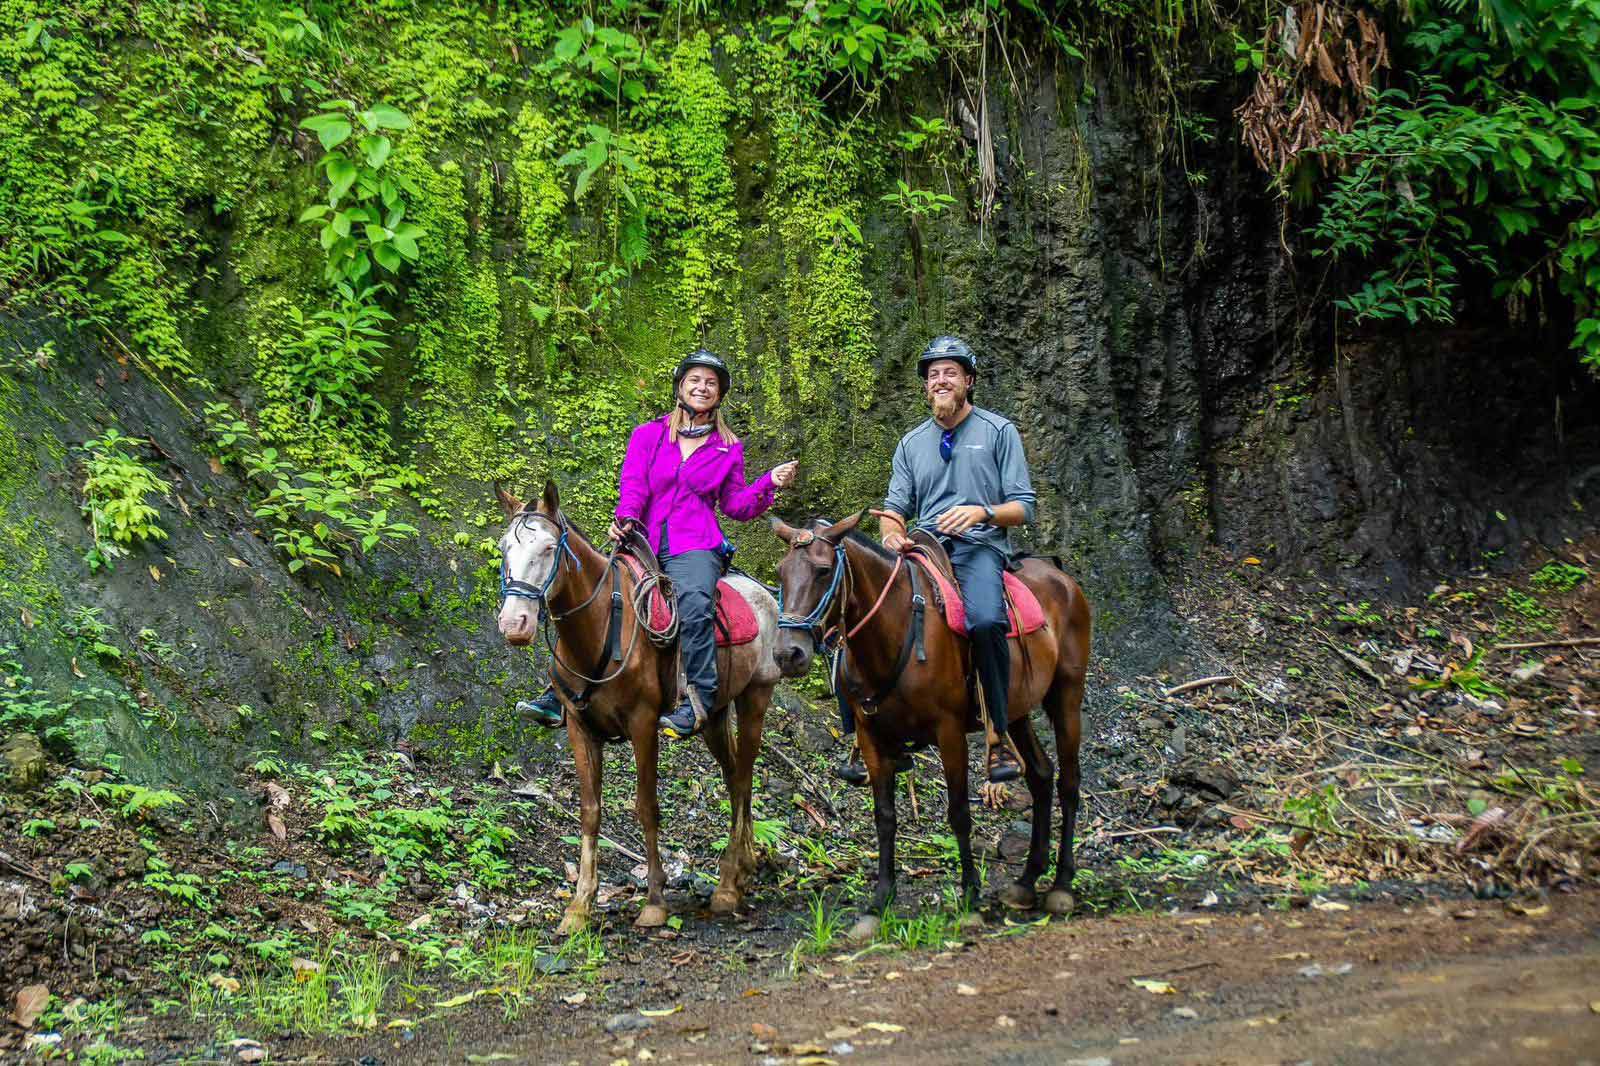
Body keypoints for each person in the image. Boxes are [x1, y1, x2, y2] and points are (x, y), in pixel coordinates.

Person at [521, 349, 797, 735]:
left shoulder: (728, 448)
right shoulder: (648, 435)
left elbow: (735, 505)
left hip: (696, 544)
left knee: (696, 604)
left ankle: (698, 698)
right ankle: (560, 691)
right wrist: (626, 520)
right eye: (695, 381)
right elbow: (633, 485)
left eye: (711, 383)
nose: (702, 387)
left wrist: (769, 484)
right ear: (681, 387)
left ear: (719, 395)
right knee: (596, 594)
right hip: (643, 538)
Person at [865, 334, 1036, 784]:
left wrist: (983, 511)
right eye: (933, 374)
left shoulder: (999, 432)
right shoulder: (911, 443)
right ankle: (874, 729)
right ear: (926, 386)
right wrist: (892, 535)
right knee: (866, 612)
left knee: (983, 620)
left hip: (981, 546)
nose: (941, 380)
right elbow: (894, 510)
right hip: (925, 550)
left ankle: (998, 734)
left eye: (950, 373)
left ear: (969, 381)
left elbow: (1024, 506)